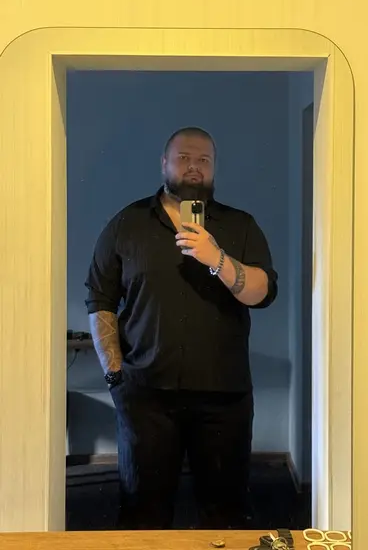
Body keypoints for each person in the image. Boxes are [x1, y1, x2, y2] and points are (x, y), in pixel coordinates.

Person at [85, 126, 278, 530]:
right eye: (184, 158)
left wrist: (217, 258)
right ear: (164, 163)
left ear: (214, 168)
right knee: (143, 515)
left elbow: (262, 292)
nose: (194, 167)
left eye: (204, 160)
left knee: (225, 516)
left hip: (224, 399)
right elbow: (100, 298)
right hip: (145, 397)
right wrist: (114, 374)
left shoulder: (240, 226)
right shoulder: (127, 224)